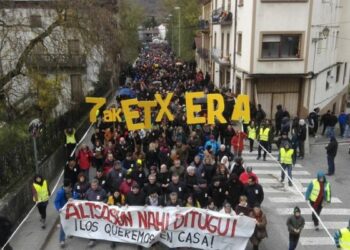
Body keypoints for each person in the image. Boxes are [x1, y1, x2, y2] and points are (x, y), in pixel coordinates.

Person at [54, 179, 72, 248]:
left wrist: (72, 198)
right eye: (67, 188)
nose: (68, 189)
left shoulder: (70, 190)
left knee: (70, 222)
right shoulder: (60, 192)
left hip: (70, 210)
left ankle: (69, 233)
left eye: (69, 187)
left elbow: (75, 195)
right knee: (63, 225)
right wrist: (59, 208)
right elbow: (56, 202)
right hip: (63, 211)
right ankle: (62, 240)